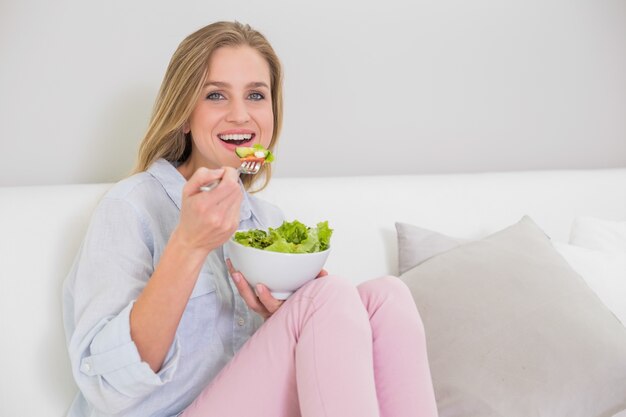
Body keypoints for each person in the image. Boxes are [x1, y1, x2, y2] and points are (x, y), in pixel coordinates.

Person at [63, 21, 438, 417]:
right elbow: (107, 391)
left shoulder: (266, 221)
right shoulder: (132, 206)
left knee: (386, 297)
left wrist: (284, 320)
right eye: (216, 95)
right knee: (328, 296)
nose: (240, 115)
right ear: (184, 115)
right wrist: (190, 244)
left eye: (256, 95)